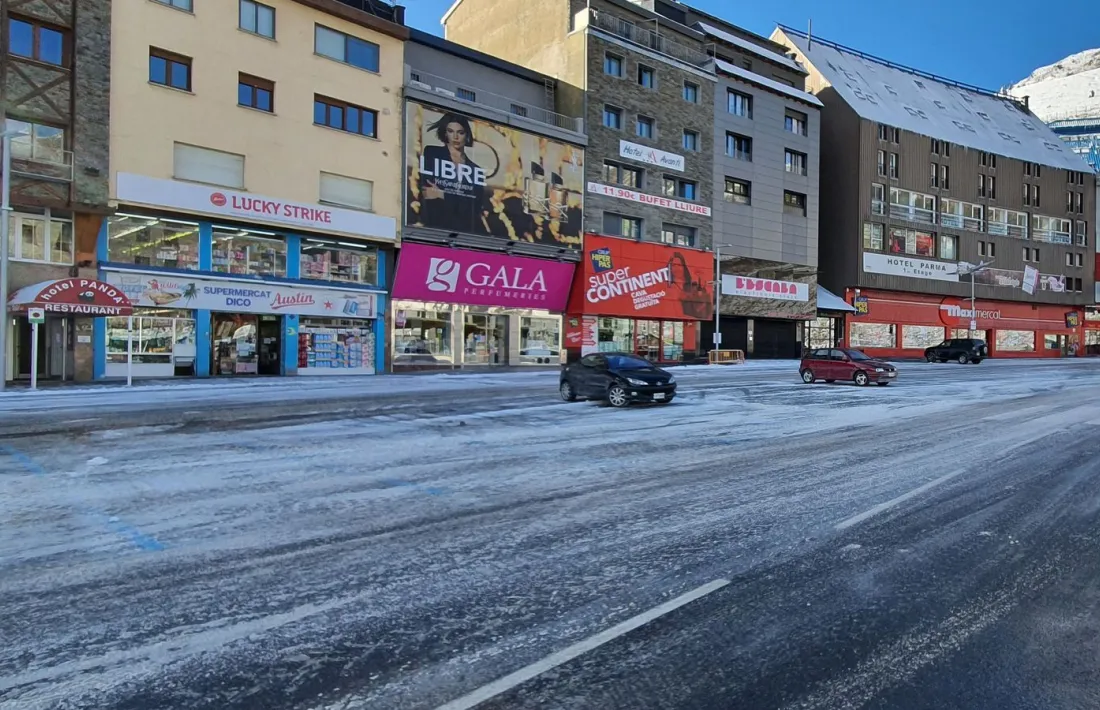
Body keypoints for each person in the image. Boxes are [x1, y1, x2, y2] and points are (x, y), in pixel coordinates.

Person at [418, 112, 486, 232]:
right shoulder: (432, 153)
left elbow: (473, 208)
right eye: (450, 131)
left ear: (467, 135)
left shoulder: (476, 170)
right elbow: (427, 192)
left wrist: (442, 194)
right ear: (445, 133)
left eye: (460, 132)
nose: (455, 137)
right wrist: (460, 201)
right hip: (435, 227)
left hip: (464, 232)